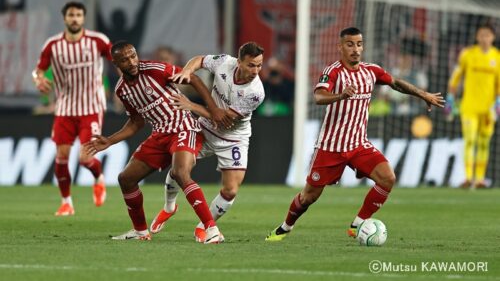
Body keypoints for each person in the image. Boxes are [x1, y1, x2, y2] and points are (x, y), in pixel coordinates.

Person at [265, 27, 445, 242]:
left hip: (358, 144)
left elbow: (395, 83)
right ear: (340, 47)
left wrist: (422, 94)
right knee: (309, 196)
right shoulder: (333, 71)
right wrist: (341, 95)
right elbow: (319, 97)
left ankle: (358, 223)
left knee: (387, 178)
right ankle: (285, 227)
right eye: (350, 44)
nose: (355, 49)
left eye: (359, 44)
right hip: (330, 146)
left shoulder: (371, 71)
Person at [84, 41, 232, 243]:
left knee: (181, 173)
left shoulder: (155, 69)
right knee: (125, 179)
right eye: (125, 59)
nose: (132, 61)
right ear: (116, 63)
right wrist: (109, 140)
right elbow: (136, 123)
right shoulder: (122, 90)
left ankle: (212, 229)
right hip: (160, 135)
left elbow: (193, 79)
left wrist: (213, 109)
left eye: (133, 55)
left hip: (184, 126)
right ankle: (140, 231)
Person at [149, 42, 265, 242]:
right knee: (180, 169)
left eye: (259, 66)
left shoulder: (255, 92)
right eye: (251, 65)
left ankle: (204, 225)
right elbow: (199, 60)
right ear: (239, 62)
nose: (256, 71)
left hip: (234, 137)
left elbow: (222, 119)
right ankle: (169, 207)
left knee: (231, 191)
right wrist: (187, 71)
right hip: (204, 128)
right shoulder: (224, 63)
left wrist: (190, 105)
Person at [32, 1, 111, 216]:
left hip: (91, 107)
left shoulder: (98, 41)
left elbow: (119, 60)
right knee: (61, 156)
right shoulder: (53, 45)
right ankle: (66, 202)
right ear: (64, 18)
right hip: (65, 108)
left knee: (85, 158)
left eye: (78, 15)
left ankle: (98, 177)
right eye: (71, 15)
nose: (74, 18)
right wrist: (38, 80)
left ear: (83, 18)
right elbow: (38, 71)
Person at [446, 24, 500, 189]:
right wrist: (450, 97)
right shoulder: (467, 54)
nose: (485, 38)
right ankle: (468, 178)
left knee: (484, 142)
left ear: (493, 37)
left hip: (488, 109)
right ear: (477, 37)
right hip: (469, 106)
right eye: (482, 35)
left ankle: (480, 179)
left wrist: (498, 101)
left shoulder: (497, 57)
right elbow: (456, 76)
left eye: (488, 35)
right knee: (470, 140)